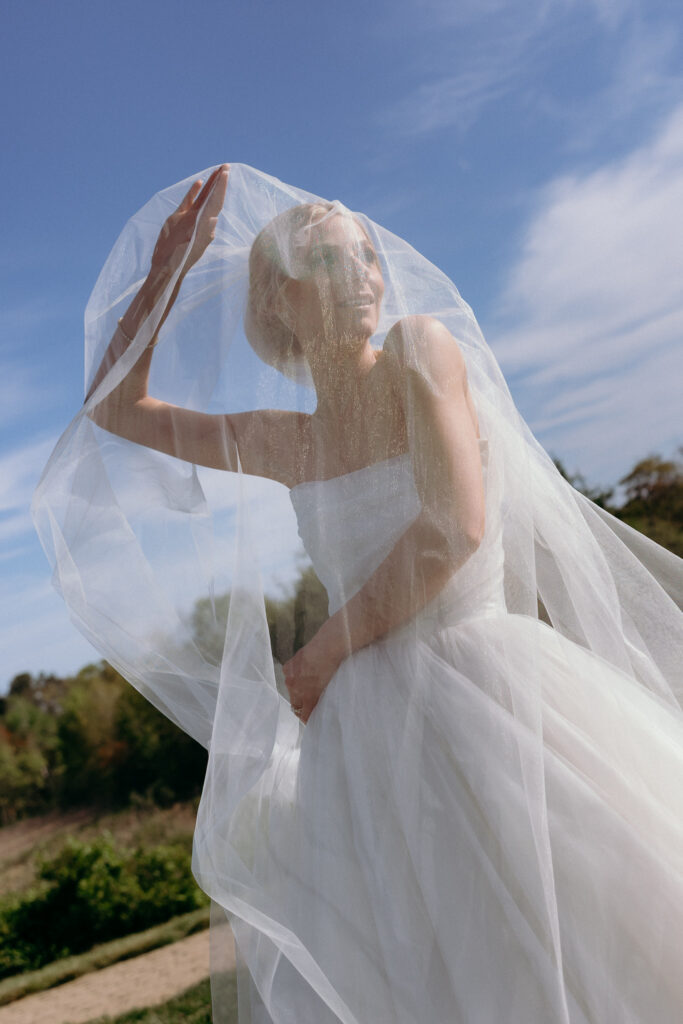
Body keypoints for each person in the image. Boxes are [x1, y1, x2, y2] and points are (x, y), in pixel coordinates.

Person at [34, 163, 683, 1023]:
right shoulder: (285, 444)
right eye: (333, 265)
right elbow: (117, 410)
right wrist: (170, 271)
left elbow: (454, 528)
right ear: (279, 304)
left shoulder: (422, 351)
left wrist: (319, 654)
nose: (366, 278)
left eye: (368, 258)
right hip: (362, 751)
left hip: (489, 700)